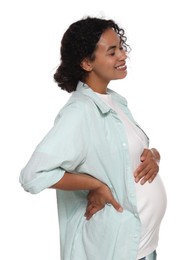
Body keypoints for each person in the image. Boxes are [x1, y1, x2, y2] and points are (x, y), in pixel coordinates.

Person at [19, 17, 167, 260]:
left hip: (142, 246)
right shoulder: (80, 112)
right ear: (87, 63)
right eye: (112, 52)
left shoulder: (115, 101)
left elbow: (128, 153)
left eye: (121, 47)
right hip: (113, 250)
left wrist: (154, 157)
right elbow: (32, 176)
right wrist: (94, 184)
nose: (123, 56)